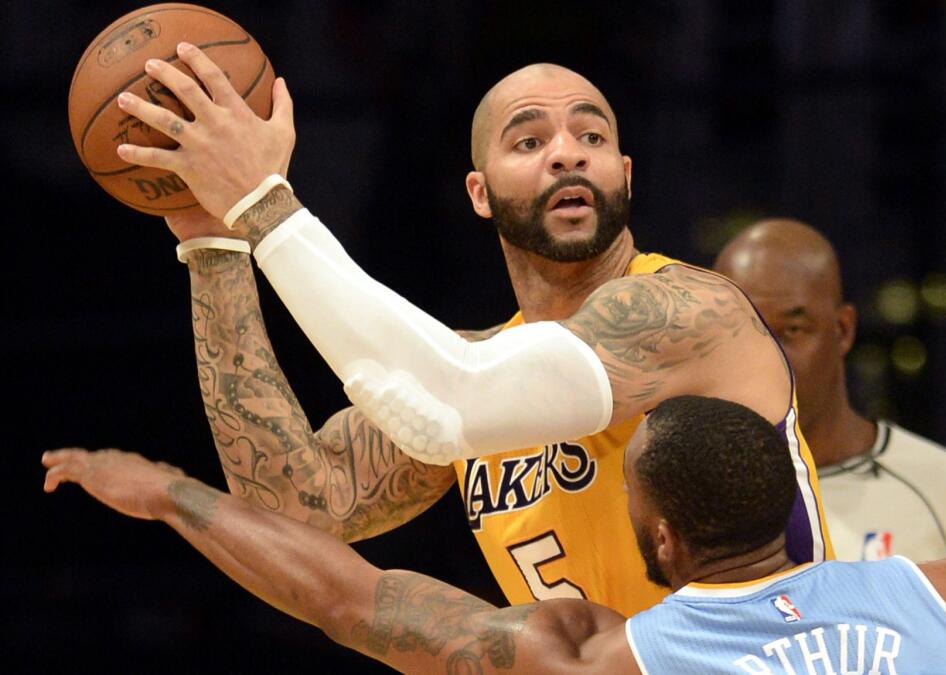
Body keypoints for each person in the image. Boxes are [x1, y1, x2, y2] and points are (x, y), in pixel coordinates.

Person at [110, 44, 830, 616]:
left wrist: (263, 204)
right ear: (478, 193)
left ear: (625, 174)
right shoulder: (468, 367)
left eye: (592, 134)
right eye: (528, 139)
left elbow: (454, 401)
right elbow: (294, 504)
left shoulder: (691, 312)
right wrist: (213, 248)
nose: (567, 151)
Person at [43, 395, 946, 674]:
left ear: (660, 541)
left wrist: (171, 492)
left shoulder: (609, 658)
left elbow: (352, 598)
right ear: (794, 505)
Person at [714, 218, 946, 649]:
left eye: (791, 330)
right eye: (742, 330)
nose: (766, 357)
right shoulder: (683, 501)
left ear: (843, 329)